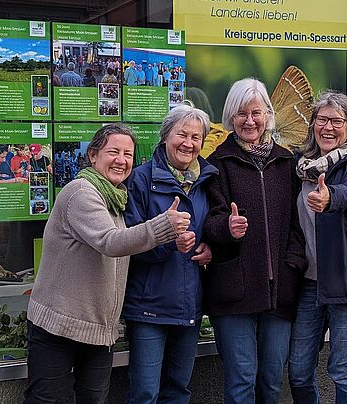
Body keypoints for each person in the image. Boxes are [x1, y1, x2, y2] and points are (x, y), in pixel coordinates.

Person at [25, 124, 192, 404]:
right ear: (93, 155)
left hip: (99, 329)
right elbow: (111, 242)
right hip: (59, 326)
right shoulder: (81, 191)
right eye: (113, 151)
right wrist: (163, 225)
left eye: (128, 154)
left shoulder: (115, 198)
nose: (122, 160)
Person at [203, 78, 306, 404]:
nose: (250, 121)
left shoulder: (287, 163)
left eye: (256, 113)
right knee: (241, 382)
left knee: (272, 382)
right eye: (241, 114)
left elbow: (298, 224)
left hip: (279, 294)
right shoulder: (217, 163)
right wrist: (226, 227)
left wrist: (292, 265)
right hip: (233, 293)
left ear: (268, 116)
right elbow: (206, 221)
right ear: (231, 117)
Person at [288, 91, 347, 404]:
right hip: (310, 283)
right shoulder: (300, 167)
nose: (328, 127)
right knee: (299, 370)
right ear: (312, 124)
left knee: (343, 369)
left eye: (336, 121)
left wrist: (330, 198)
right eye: (322, 119)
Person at [122, 104, 218, 404]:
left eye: (196, 137)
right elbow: (126, 243)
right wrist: (168, 244)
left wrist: (211, 247)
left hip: (189, 304)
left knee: (178, 390)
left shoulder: (207, 181)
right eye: (181, 134)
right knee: (145, 393)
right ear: (165, 137)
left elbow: (211, 226)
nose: (188, 143)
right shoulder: (139, 180)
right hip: (149, 306)